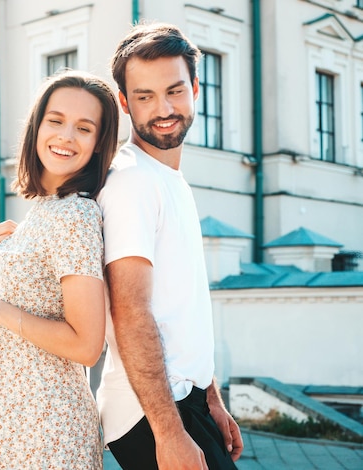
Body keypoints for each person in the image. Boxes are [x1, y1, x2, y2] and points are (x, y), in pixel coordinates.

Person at [0, 70, 119, 469]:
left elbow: (87, 346)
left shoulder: (75, 214)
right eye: (56, 120)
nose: (66, 136)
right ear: (36, 126)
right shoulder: (49, 210)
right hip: (9, 413)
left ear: (99, 144)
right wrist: (20, 249)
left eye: (84, 128)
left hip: (43, 425)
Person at [95, 22, 244, 469]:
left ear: (195, 88)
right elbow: (131, 311)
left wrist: (210, 395)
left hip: (186, 400)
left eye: (175, 91)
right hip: (152, 412)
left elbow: (180, 308)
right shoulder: (133, 182)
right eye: (144, 96)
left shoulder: (167, 177)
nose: (163, 108)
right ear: (124, 102)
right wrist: (169, 432)